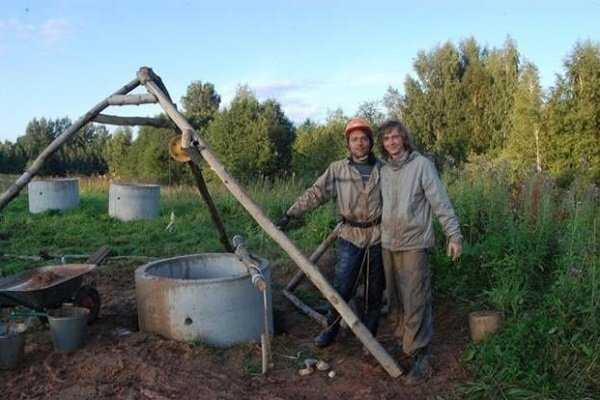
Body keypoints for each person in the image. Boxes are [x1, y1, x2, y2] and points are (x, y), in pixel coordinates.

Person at [277, 117, 385, 348]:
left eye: (364, 139)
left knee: (374, 290)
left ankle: (370, 337)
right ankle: (331, 329)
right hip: (349, 235)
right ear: (348, 144)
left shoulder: (384, 170)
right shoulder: (337, 169)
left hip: (378, 236)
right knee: (342, 287)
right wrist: (291, 214)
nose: (359, 143)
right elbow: (316, 193)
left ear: (370, 142)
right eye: (354, 139)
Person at [378, 119, 462, 385]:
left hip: (415, 243)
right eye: (386, 138)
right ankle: (405, 344)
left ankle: (420, 356)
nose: (391, 141)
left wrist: (453, 234)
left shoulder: (421, 165)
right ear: (383, 143)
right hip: (388, 244)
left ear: (404, 138)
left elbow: (440, 201)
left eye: (395, 136)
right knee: (394, 300)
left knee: (416, 299)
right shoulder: (384, 170)